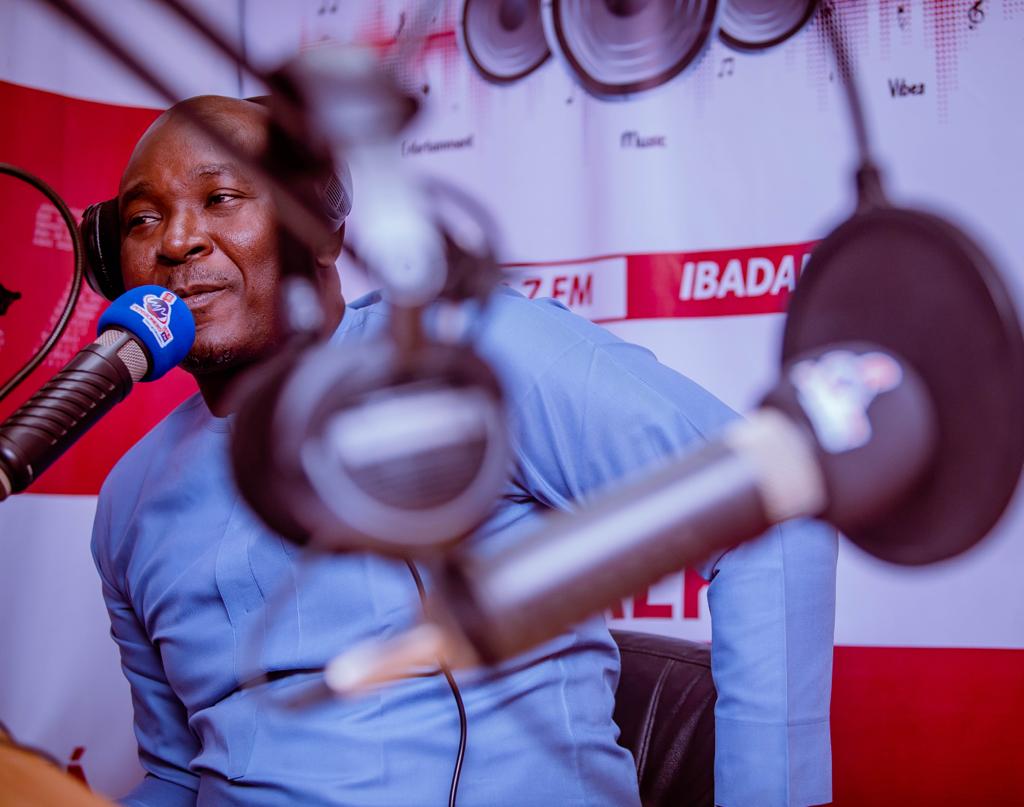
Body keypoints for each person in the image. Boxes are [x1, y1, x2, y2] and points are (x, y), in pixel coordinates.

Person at [91, 95, 837, 807]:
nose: (176, 242)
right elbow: (177, 777)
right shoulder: (130, 501)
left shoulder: (469, 358)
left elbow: (771, 504)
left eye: (221, 198)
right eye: (142, 219)